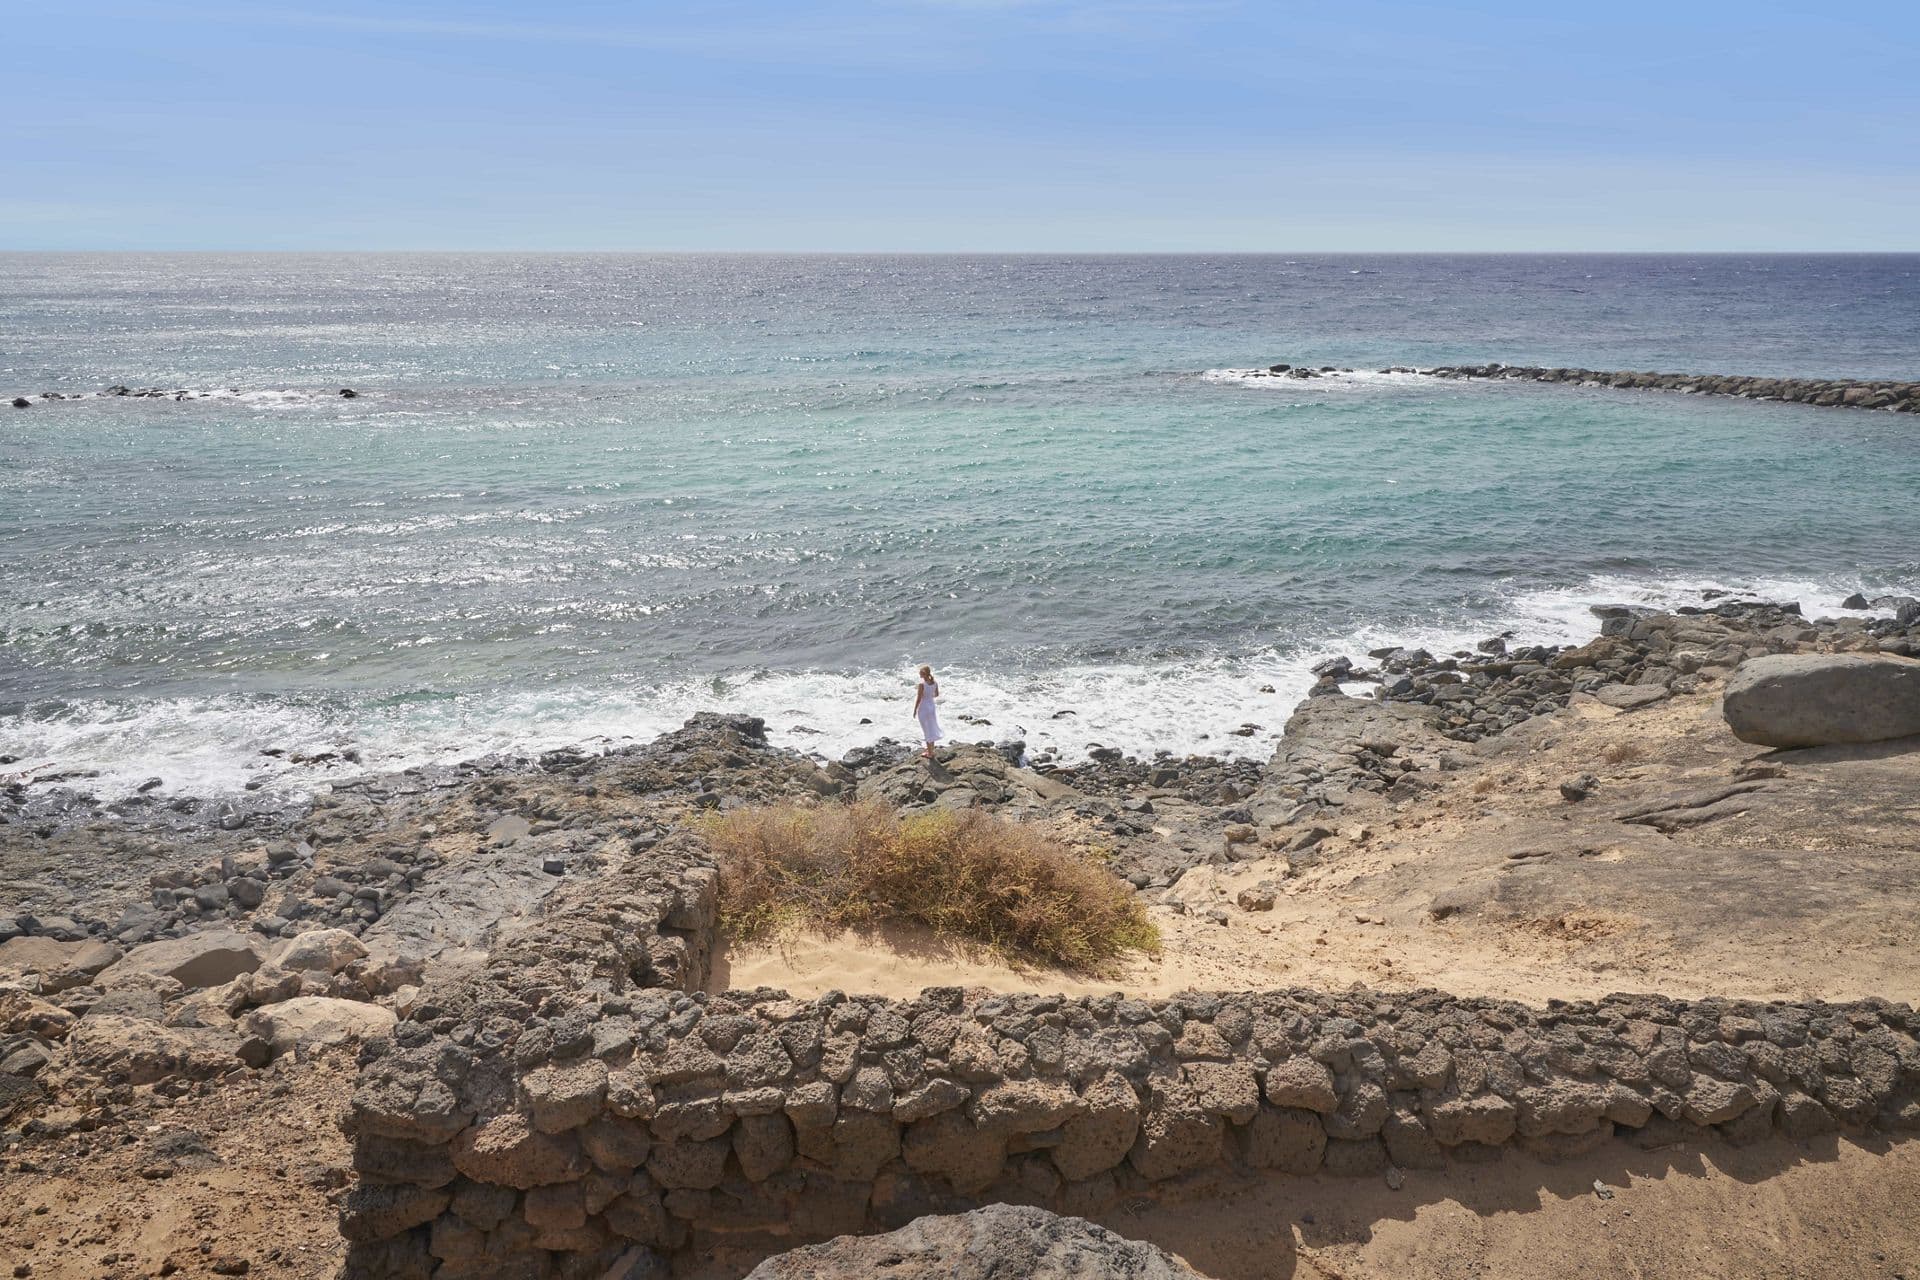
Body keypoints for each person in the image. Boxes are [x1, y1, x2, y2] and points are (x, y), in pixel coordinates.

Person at [912, 664, 942, 759]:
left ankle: (929, 753)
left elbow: (919, 699)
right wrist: (929, 697)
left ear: (923, 674)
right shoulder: (934, 683)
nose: (919, 674)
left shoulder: (922, 685)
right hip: (931, 707)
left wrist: (915, 710)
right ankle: (930, 750)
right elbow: (936, 694)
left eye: (920, 673)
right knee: (931, 728)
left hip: (924, 707)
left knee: (926, 730)